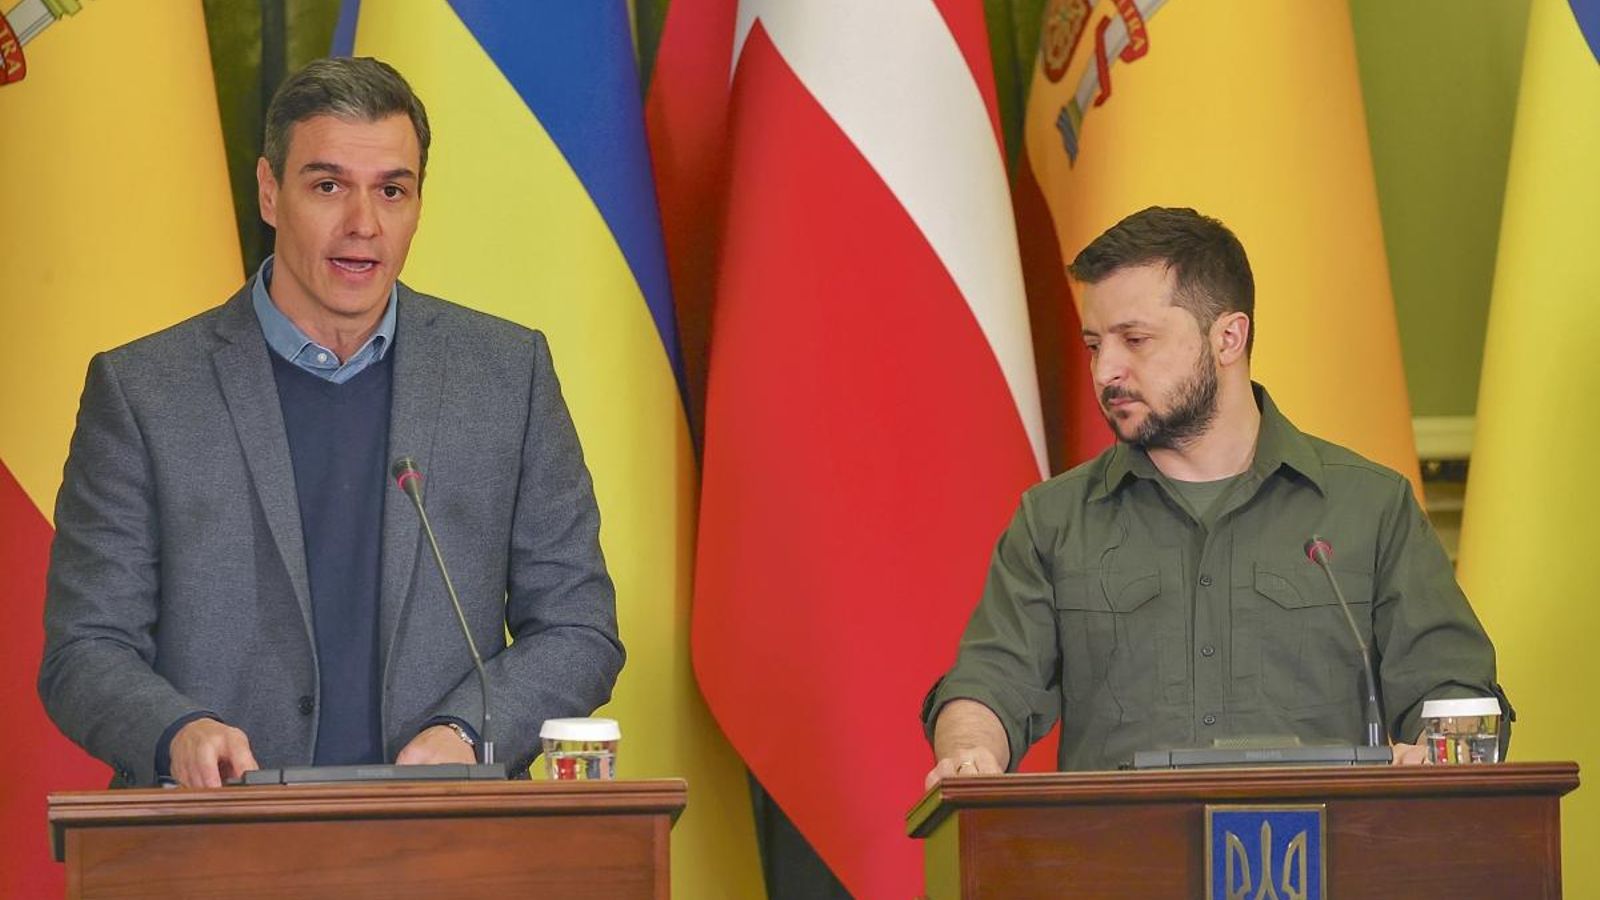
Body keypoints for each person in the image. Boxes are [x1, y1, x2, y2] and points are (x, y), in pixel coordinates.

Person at [38, 57, 623, 788]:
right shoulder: (144, 392)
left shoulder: (508, 376)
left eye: (391, 191)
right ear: (269, 193)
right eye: (327, 186)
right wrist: (176, 732)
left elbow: (577, 626)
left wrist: (471, 731)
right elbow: (86, 648)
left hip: (448, 848)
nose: (363, 225)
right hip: (213, 849)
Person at [923, 206, 1503, 784]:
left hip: (1333, 861)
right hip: (1119, 866)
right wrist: (969, 751)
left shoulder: (1370, 508)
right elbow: (991, 682)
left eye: (1135, 340)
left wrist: (1433, 755)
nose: (1105, 371)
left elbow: (1454, 690)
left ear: (1228, 337)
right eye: (1096, 344)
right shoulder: (1052, 521)